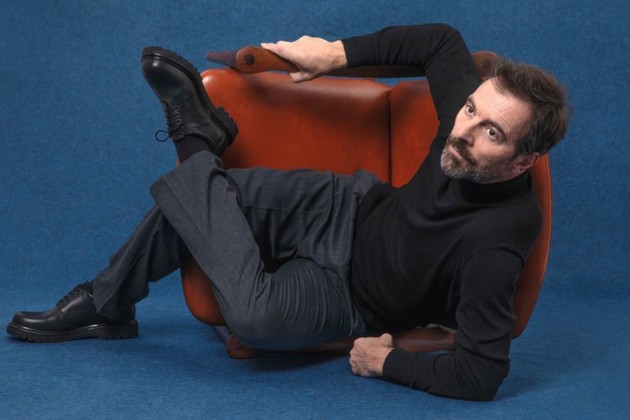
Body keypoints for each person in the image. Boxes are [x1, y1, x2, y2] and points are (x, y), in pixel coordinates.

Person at [6, 23, 569, 401]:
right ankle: (108, 305)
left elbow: (481, 374)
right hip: (344, 209)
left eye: (492, 133)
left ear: (524, 161)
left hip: (351, 299)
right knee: (217, 199)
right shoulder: (464, 123)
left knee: (253, 318)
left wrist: (386, 363)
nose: (462, 131)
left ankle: (198, 141)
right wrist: (333, 53)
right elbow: (442, 42)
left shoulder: (499, 241)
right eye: (469, 110)